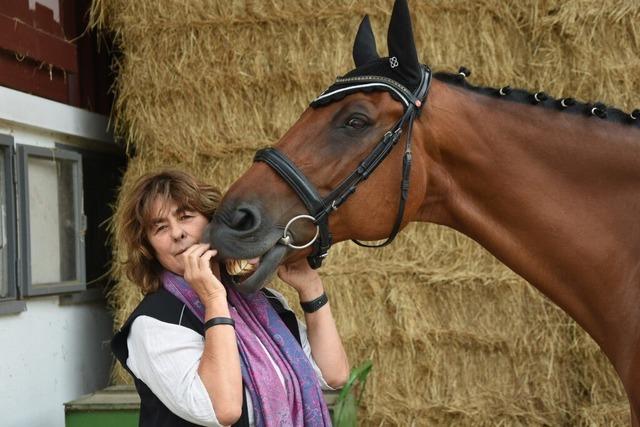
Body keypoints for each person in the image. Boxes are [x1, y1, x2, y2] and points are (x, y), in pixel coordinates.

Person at [111, 169, 350, 427]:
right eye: (160, 228)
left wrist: (311, 288)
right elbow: (223, 409)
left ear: (212, 222)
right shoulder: (154, 323)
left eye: (186, 216)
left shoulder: (261, 302)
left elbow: (334, 374)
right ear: (149, 248)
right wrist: (214, 298)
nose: (177, 233)